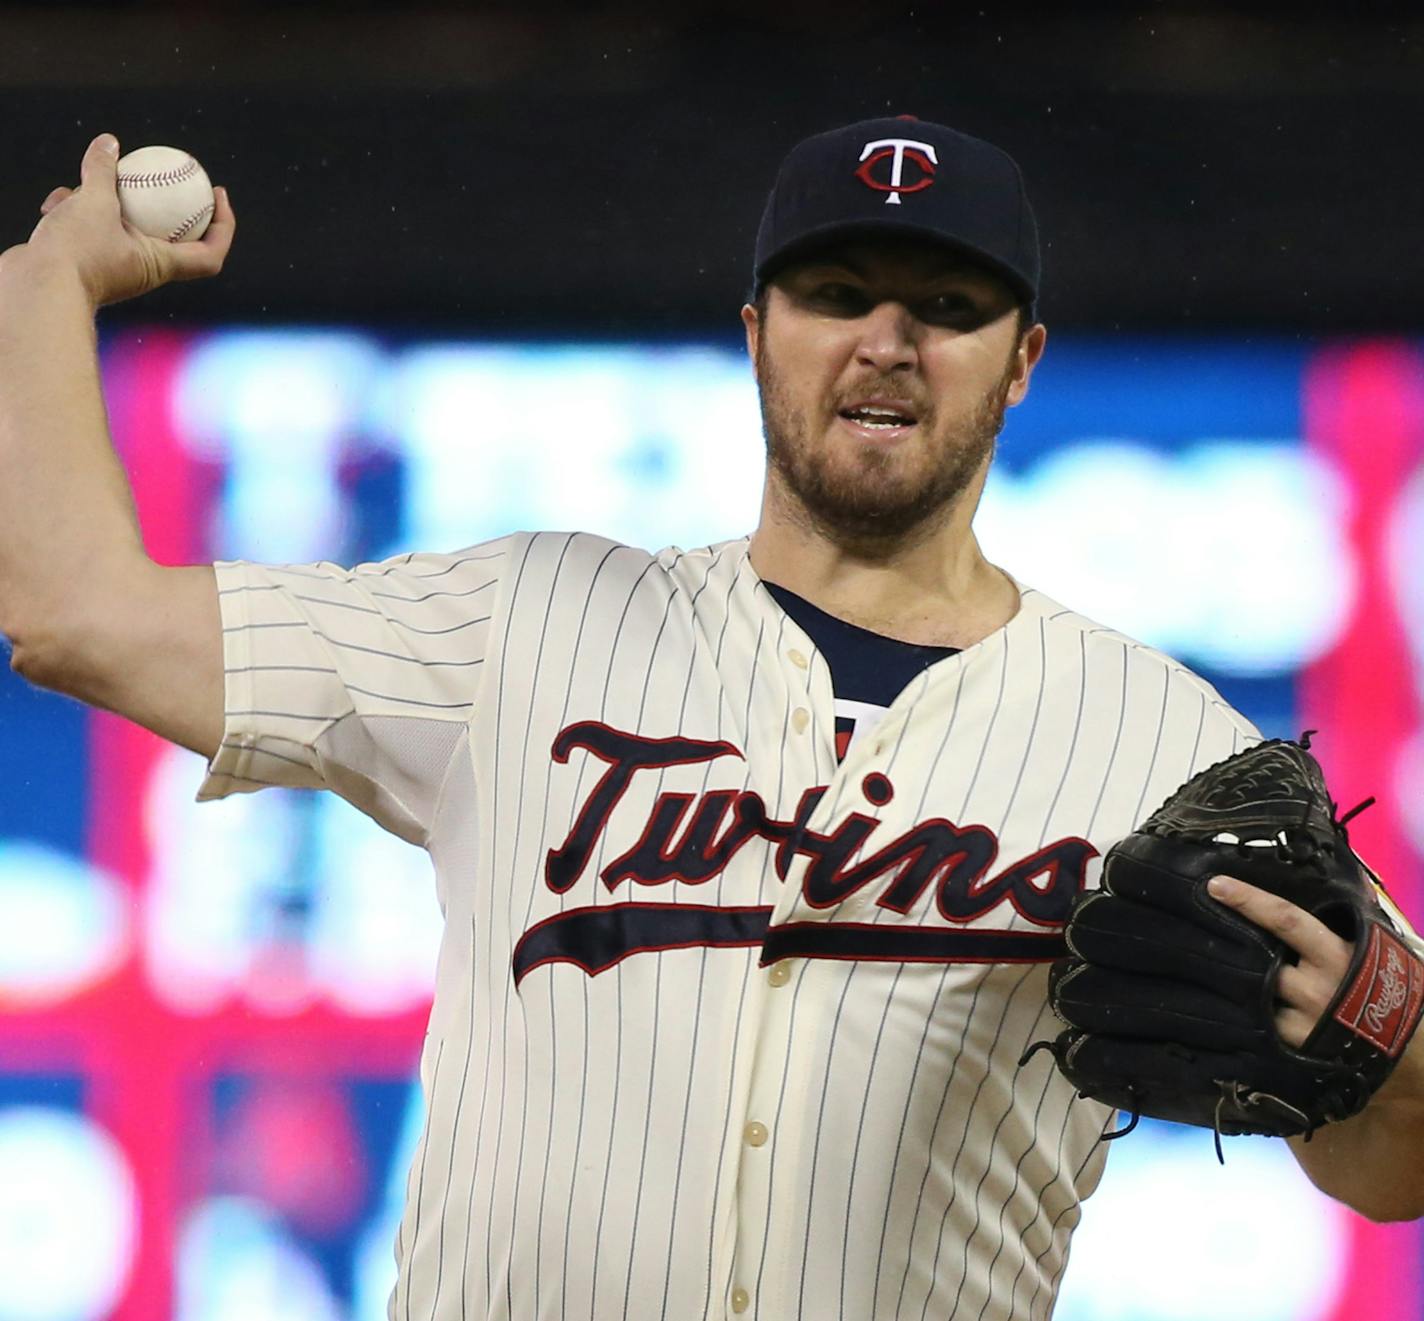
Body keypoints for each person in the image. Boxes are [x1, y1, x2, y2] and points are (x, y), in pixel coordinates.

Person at [1, 116, 1421, 1321]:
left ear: (1025, 359)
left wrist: (1381, 1026)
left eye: (947, 305)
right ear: (756, 333)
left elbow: (1396, 1167)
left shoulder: (1164, 744)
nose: (887, 340)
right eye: (837, 291)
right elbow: (76, 613)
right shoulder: (523, 622)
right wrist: (43, 284)